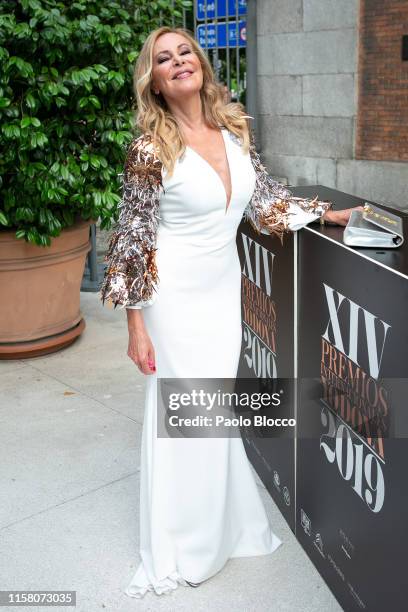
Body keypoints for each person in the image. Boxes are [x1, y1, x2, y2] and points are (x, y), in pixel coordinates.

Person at [100, 26, 363, 599]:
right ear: (156, 80)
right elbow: (134, 234)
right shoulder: (150, 148)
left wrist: (328, 214)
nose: (177, 63)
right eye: (163, 59)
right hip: (173, 297)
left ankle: (223, 526)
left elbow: (265, 201)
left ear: (200, 63)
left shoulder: (231, 128)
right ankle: (183, 543)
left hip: (223, 291)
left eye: (184, 52)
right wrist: (136, 323)